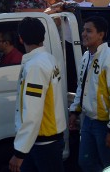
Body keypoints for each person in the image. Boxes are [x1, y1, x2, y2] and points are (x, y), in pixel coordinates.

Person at [69, 16, 110, 171]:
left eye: (89, 31)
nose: (83, 34)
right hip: (89, 121)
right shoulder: (86, 56)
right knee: (85, 162)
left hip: (106, 124)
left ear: (101, 35)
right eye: (83, 30)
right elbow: (81, 87)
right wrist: (74, 111)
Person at [9, 17, 66, 172]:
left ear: (20, 38)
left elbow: (32, 112)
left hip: (43, 143)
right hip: (49, 140)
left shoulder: (35, 66)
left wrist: (19, 153)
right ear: (43, 36)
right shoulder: (48, 59)